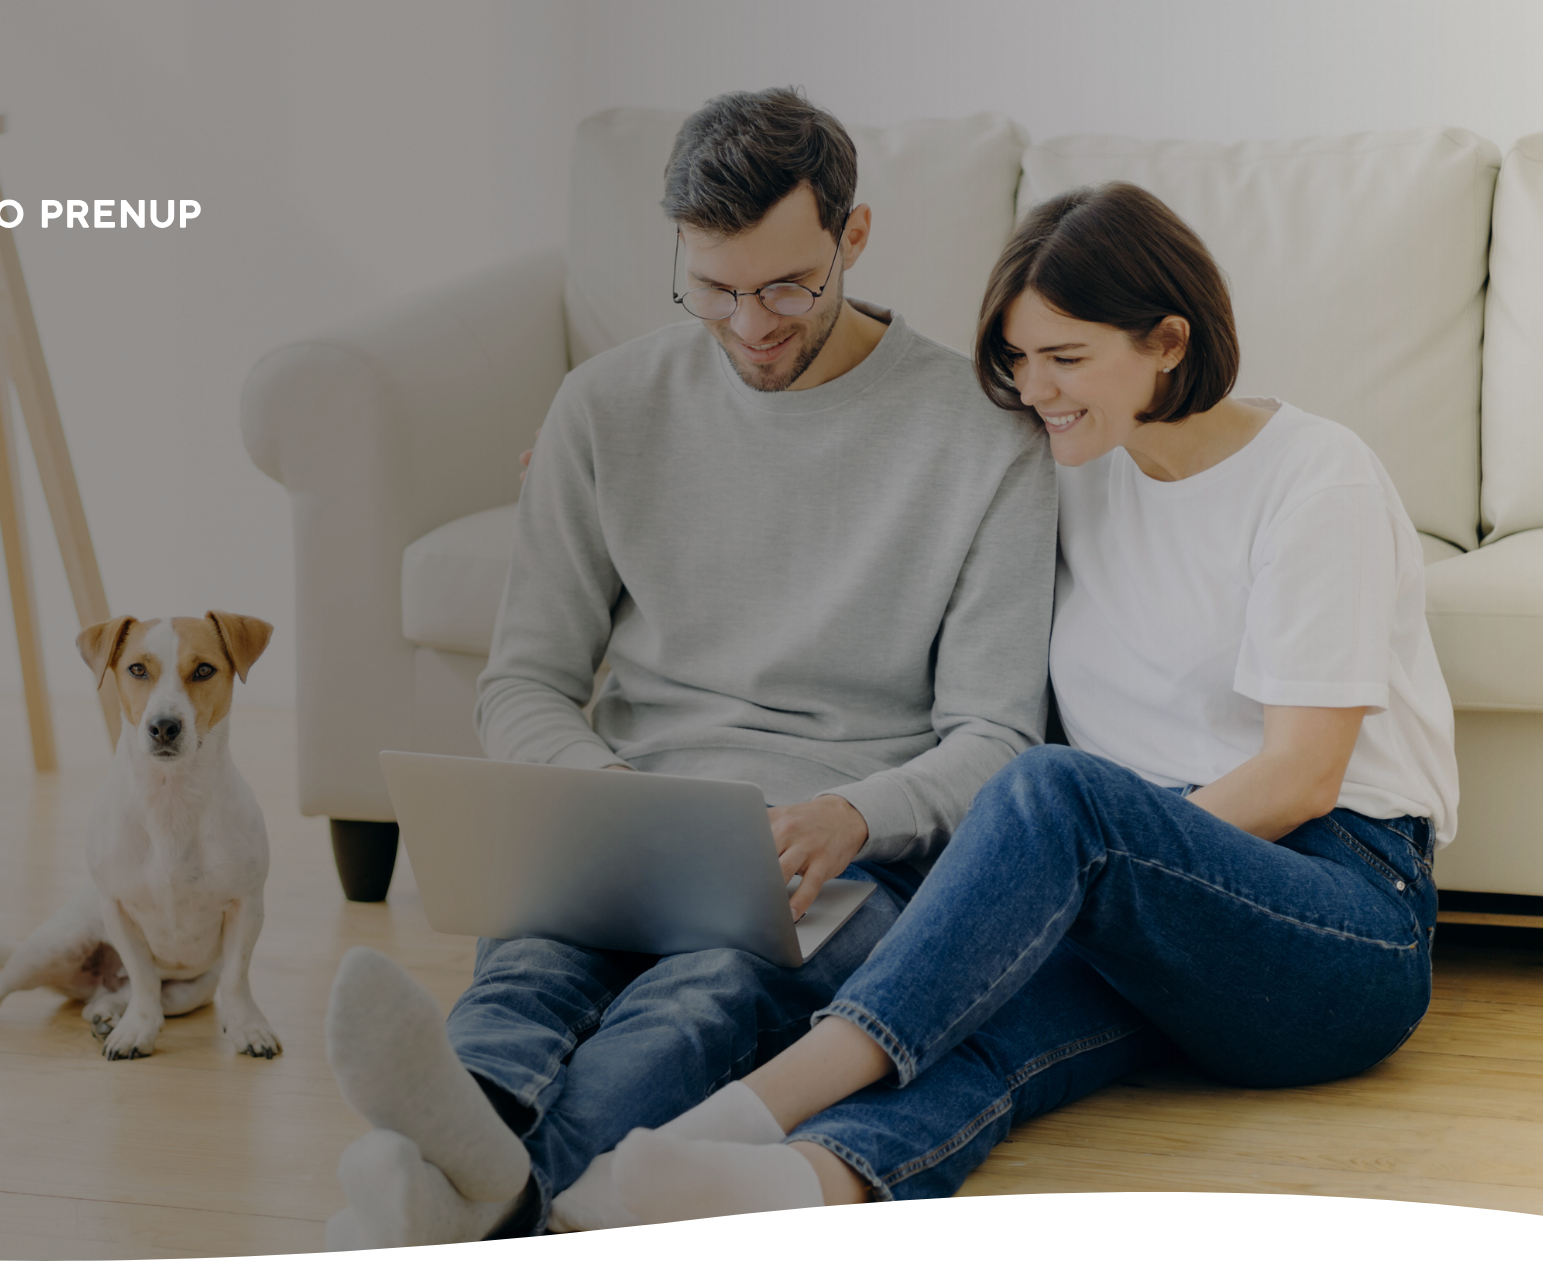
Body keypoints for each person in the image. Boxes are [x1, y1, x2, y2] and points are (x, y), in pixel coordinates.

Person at [587, 180, 1458, 1219]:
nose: (1032, 388)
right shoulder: (1071, 469)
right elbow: (876, 496)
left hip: (1342, 911)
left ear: (1169, 340)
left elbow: (1300, 775)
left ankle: (739, 1111)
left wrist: (1097, 862)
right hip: (1144, 903)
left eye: (1065, 357)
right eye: (1015, 357)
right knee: (975, 1031)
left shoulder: (1316, 478)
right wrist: (619, 472)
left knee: (1055, 794)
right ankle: (769, 1188)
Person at [319, 87, 1059, 1248]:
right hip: (628, 809)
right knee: (527, 977)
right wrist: (593, 790)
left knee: (697, 999)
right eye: (712, 289)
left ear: (853, 239)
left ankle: (456, 1192)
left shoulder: (982, 434)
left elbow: (1000, 735)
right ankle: (478, 1179)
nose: (751, 323)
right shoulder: (604, 406)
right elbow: (523, 682)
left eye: (785, 286)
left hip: (841, 852)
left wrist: (853, 815)